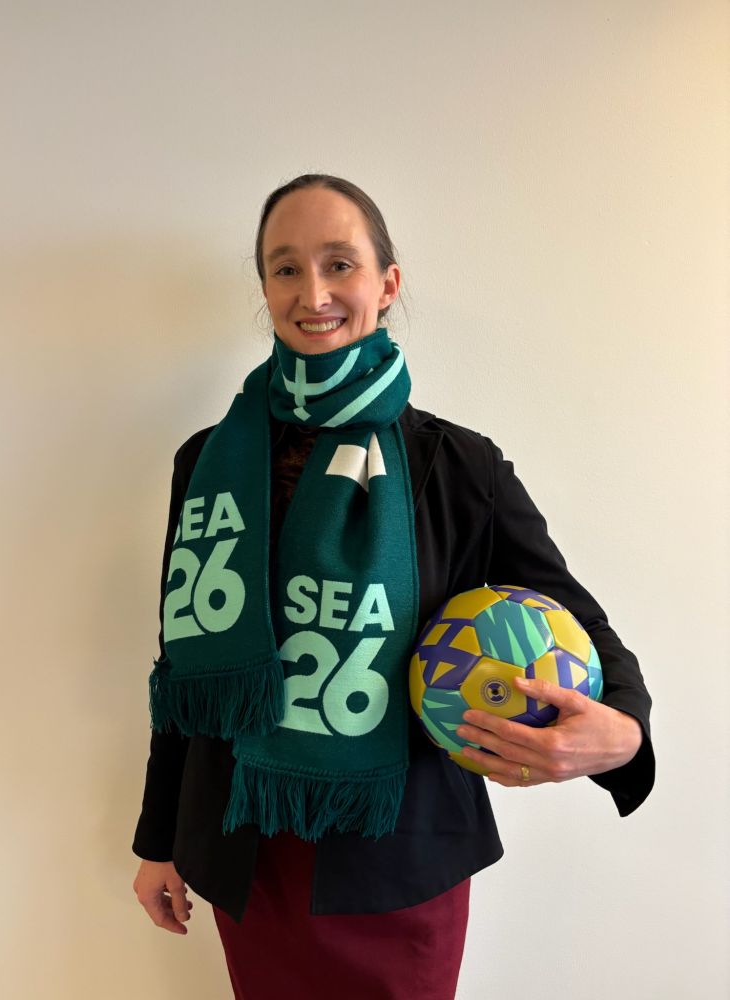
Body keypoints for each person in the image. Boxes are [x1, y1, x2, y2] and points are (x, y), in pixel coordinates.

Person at [132, 174, 654, 999]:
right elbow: (188, 664)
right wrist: (158, 838)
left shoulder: (459, 466)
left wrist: (623, 732)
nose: (313, 293)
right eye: (286, 268)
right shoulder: (209, 462)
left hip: (401, 857)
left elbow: (577, 618)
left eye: (339, 263)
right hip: (246, 846)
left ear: (387, 283)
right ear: (265, 287)